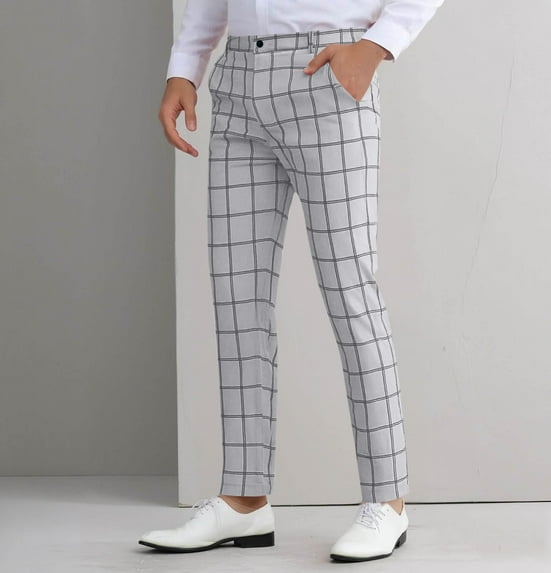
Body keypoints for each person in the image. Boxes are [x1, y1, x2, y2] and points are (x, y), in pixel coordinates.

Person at [139, 0, 444, 563]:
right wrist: (184, 69)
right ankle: (245, 499)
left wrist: (375, 46)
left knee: (350, 292)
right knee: (238, 301)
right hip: (237, 82)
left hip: (327, 73)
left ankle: (387, 502)